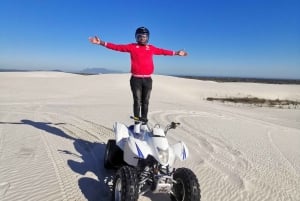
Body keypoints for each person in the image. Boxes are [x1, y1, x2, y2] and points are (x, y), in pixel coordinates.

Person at [89, 27, 187, 132]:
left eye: (144, 37)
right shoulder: (132, 47)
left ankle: (144, 123)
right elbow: (117, 47)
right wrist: (101, 42)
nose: (142, 39)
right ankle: (136, 123)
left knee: (146, 102)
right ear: (136, 37)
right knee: (137, 101)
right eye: (139, 36)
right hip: (136, 79)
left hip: (148, 80)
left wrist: (176, 53)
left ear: (148, 37)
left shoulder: (151, 48)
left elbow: (163, 51)